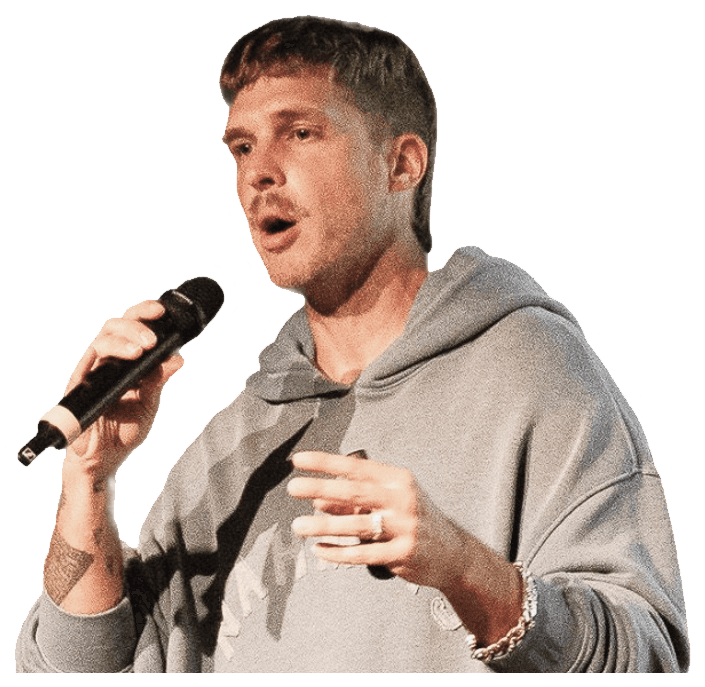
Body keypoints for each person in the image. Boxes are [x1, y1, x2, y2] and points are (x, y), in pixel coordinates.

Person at [16, 16, 688, 672]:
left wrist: (464, 569)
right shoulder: (233, 448)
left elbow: (646, 657)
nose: (258, 173)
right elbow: (79, 672)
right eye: (242, 147)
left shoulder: (529, 371)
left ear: (401, 164)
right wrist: (88, 480)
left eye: (300, 133)